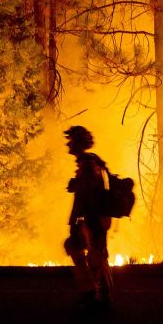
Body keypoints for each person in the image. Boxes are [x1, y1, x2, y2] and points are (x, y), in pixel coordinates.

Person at [62, 125, 113, 310]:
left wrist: (77, 185)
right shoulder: (90, 164)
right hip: (92, 218)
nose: (69, 145)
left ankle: (96, 294)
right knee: (83, 249)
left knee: (95, 254)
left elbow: (90, 194)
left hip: (92, 219)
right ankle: (95, 293)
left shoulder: (90, 165)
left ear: (78, 143)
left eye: (71, 141)